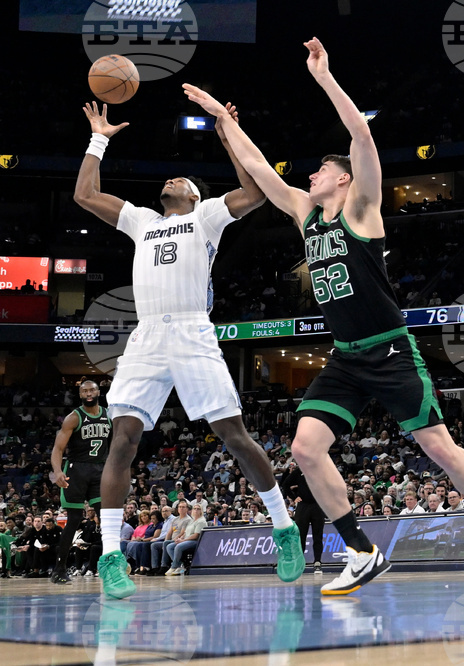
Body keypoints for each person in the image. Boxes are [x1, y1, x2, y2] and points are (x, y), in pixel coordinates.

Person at [182, 37, 464, 595]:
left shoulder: (363, 208)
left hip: (391, 347)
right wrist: (221, 122)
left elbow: (362, 137)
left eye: (320, 171)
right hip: (346, 357)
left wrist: (324, 78)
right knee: (303, 448)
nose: (310, 178)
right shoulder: (306, 215)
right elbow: (256, 167)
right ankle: (361, 550)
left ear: (342, 178)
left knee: (439, 448)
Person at [72, 101, 305, 598]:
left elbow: (256, 192)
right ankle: (110, 555)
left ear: (195, 194)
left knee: (235, 436)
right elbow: (85, 193)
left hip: (194, 333)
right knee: (124, 440)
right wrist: (99, 137)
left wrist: (229, 136)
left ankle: (284, 528)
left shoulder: (206, 216)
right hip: (148, 336)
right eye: (171, 178)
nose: (175, 178)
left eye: (184, 179)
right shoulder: (139, 219)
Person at [49, 380, 111, 584]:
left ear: (98, 391)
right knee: (74, 519)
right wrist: (57, 471)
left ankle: (111, 565)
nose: (88, 393)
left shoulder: (109, 415)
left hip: (100, 469)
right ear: (80, 394)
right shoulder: (73, 417)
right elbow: (58, 449)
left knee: (106, 517)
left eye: (92, 389)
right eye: (84, 390)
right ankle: (59, 568)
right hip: (76, 470)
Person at [282, 462, 327, 574]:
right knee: (300, 537)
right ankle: (299, 563)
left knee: (318, 535)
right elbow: (285, 484)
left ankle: (317, 562)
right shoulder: (299, 471)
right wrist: (294, 497)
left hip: (317, 506)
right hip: (303, 507)